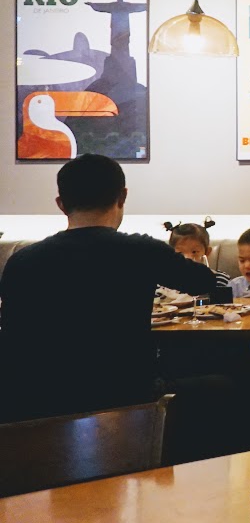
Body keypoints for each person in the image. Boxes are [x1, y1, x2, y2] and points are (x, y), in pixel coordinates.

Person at [0, 154, 220, 422]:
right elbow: (205, 282)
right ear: (122, 197)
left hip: (37, 408)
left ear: (61, 204)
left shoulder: (22, 261)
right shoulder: (141, 251)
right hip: (126, 400)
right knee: (222, 385)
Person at [164, 218, 234, 302]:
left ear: (207, 252)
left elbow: (225, 305)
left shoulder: (220, 279)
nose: (187, 258)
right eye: (180, 253)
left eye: (194, 252)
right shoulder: (163, 282)